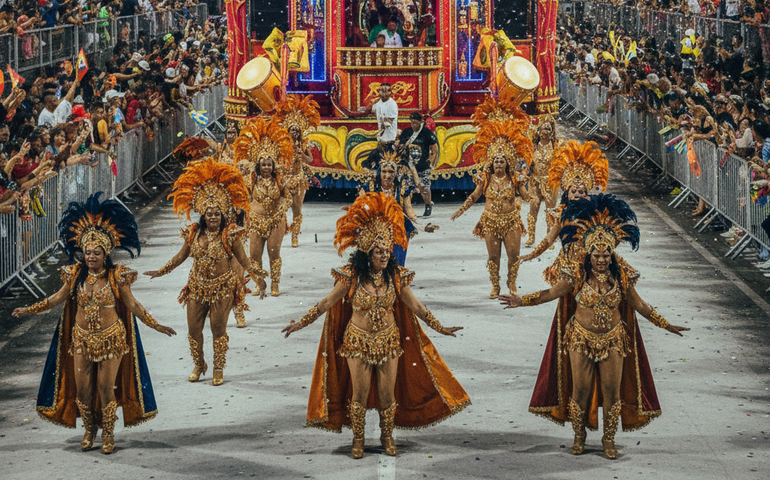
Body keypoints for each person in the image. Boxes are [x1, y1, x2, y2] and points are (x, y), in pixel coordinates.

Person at [500, 194, 689, 460]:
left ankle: (608, 440)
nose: (601, 259)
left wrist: (666, 324)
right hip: (580, 339)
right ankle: (579, 436)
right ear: (588, 252)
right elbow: (550, 294)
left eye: (606, 254)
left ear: (612, 252)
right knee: (580, 391)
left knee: (612, 393)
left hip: (613, 341)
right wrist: (522, 300)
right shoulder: (576, 275)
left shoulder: (622, 277)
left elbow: (640, 306)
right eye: (597, 254)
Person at [281, 193, 469, 459]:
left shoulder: (395, 277)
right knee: (358, 395)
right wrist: (301, 322)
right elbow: (326, 303)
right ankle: (358, 439)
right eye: (379, 251)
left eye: (387, 250)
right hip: (357, 341)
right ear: (368, 253)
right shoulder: (351, 277)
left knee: (386, 396)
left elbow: (417, 307)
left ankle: (387, 436)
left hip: (389, 340)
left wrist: (441, 328)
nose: (384, 255)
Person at [13, 193, 176, 454]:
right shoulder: (74, 274)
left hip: (112, 339)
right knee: (83, 390)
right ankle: (90, 431)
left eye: (96, 252)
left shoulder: (117, 276)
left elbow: (133, 306)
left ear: (105, 253)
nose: (90, 256)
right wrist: (29, 310)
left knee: (104, 388)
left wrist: (156, 325)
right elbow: (56, 299)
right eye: (87, 252)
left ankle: (108, 434)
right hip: (81, 339)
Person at [145, 158, 268, 386]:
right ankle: (199, 363)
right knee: (194, 330)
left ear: (223, 214)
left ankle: (218, 367)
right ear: (203, 214)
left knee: (218, 329)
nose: (213, 217)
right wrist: (161, 271)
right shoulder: (193, 233)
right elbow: (181, 257)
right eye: (209, 213)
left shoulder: (230, 234)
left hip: (222, 288)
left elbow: (243, 260)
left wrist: (259, 278)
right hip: (196, 287)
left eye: (217, 213)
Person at [450, 118, 532, 298]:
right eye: (496, 160)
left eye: (502, 160)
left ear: (508, 162)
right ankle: (495, 285)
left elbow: (525, 195)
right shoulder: (485, 178)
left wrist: (532, 197)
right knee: (493, 258)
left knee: (513, 256)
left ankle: (512, 284)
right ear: (491, 162)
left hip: (511, 221)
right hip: (490, 221)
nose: (499, 163)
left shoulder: (515, 178)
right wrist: (461, 210)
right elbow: (474, 196)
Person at [519, 140, 608, 286]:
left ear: (587, 194)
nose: (577, 194)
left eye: (581, 192)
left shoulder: (595, 215)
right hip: (568, 267)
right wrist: (532, 255)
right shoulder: (562, 215)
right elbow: (549, 240)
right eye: (574, 191)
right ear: (567, 194)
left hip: (592, 268)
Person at [232, 116, 294, 297]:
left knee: (273, 255)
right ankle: (260, 283)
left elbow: (288, 197)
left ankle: (275, 283)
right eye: (263, 164)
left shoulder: (280, 178)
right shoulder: (251, 179)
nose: (266, 167)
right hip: (256, 221)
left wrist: (283, 206)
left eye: (269, 164)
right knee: (254, 256)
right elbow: (242, 196)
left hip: (276, 221)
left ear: (273, 164)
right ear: (258, 165)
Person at [274, 94, 321, 248]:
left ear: (300, 131)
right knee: (280, 209)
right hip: (285, 181)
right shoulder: (282, 145)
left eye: (296, 130)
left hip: (299, 180)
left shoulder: (303, 145)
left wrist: (303, 158)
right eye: (291, 129)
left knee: (297, 211)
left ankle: (295, 237)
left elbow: (308, 162)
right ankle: (280, 233)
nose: (294, 132)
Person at [525, 119, 559, 247]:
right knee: (534, 206)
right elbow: (525, 164)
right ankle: (531, 237)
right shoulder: (531, 146)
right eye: (543, 128)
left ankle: (549, 238)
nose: (545, 131)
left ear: (552, 132)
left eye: (548, 129)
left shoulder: (556, 146)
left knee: (550, 211)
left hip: (550, 182)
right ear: (538, 131)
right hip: (535, 180)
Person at [398, 112, 438, 217]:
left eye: (415, 123)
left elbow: (434, 149)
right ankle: (407, 207)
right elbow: (401, 147)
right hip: (409, 167)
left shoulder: (427, 133)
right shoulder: (406, 132)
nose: (413, 125)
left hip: (423, 165)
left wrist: (431, 163)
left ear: (421, 122)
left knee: (424, 188)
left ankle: (428, 205)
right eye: (411, 123)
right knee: (406, 188)